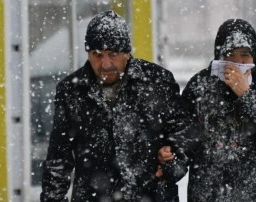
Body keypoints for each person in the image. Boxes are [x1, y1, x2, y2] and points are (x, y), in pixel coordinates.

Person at [40, 10, 193, 202]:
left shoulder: (158, 82)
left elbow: (183, 136)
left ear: (127, 53)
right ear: (88, 53)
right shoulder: (71, 91)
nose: (105, 64)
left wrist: (171, 164)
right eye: (97, 54)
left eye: (112, 54)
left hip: (153, 195)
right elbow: (59, 159)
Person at [161, 19, 256, 201]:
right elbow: (184, 139)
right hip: (209, 193)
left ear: (254, 57)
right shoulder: (199, 85)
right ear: (219, 55)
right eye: (230, 54)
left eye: (245, 55)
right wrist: (171, 158)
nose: (237, 62)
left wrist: (246, 95)